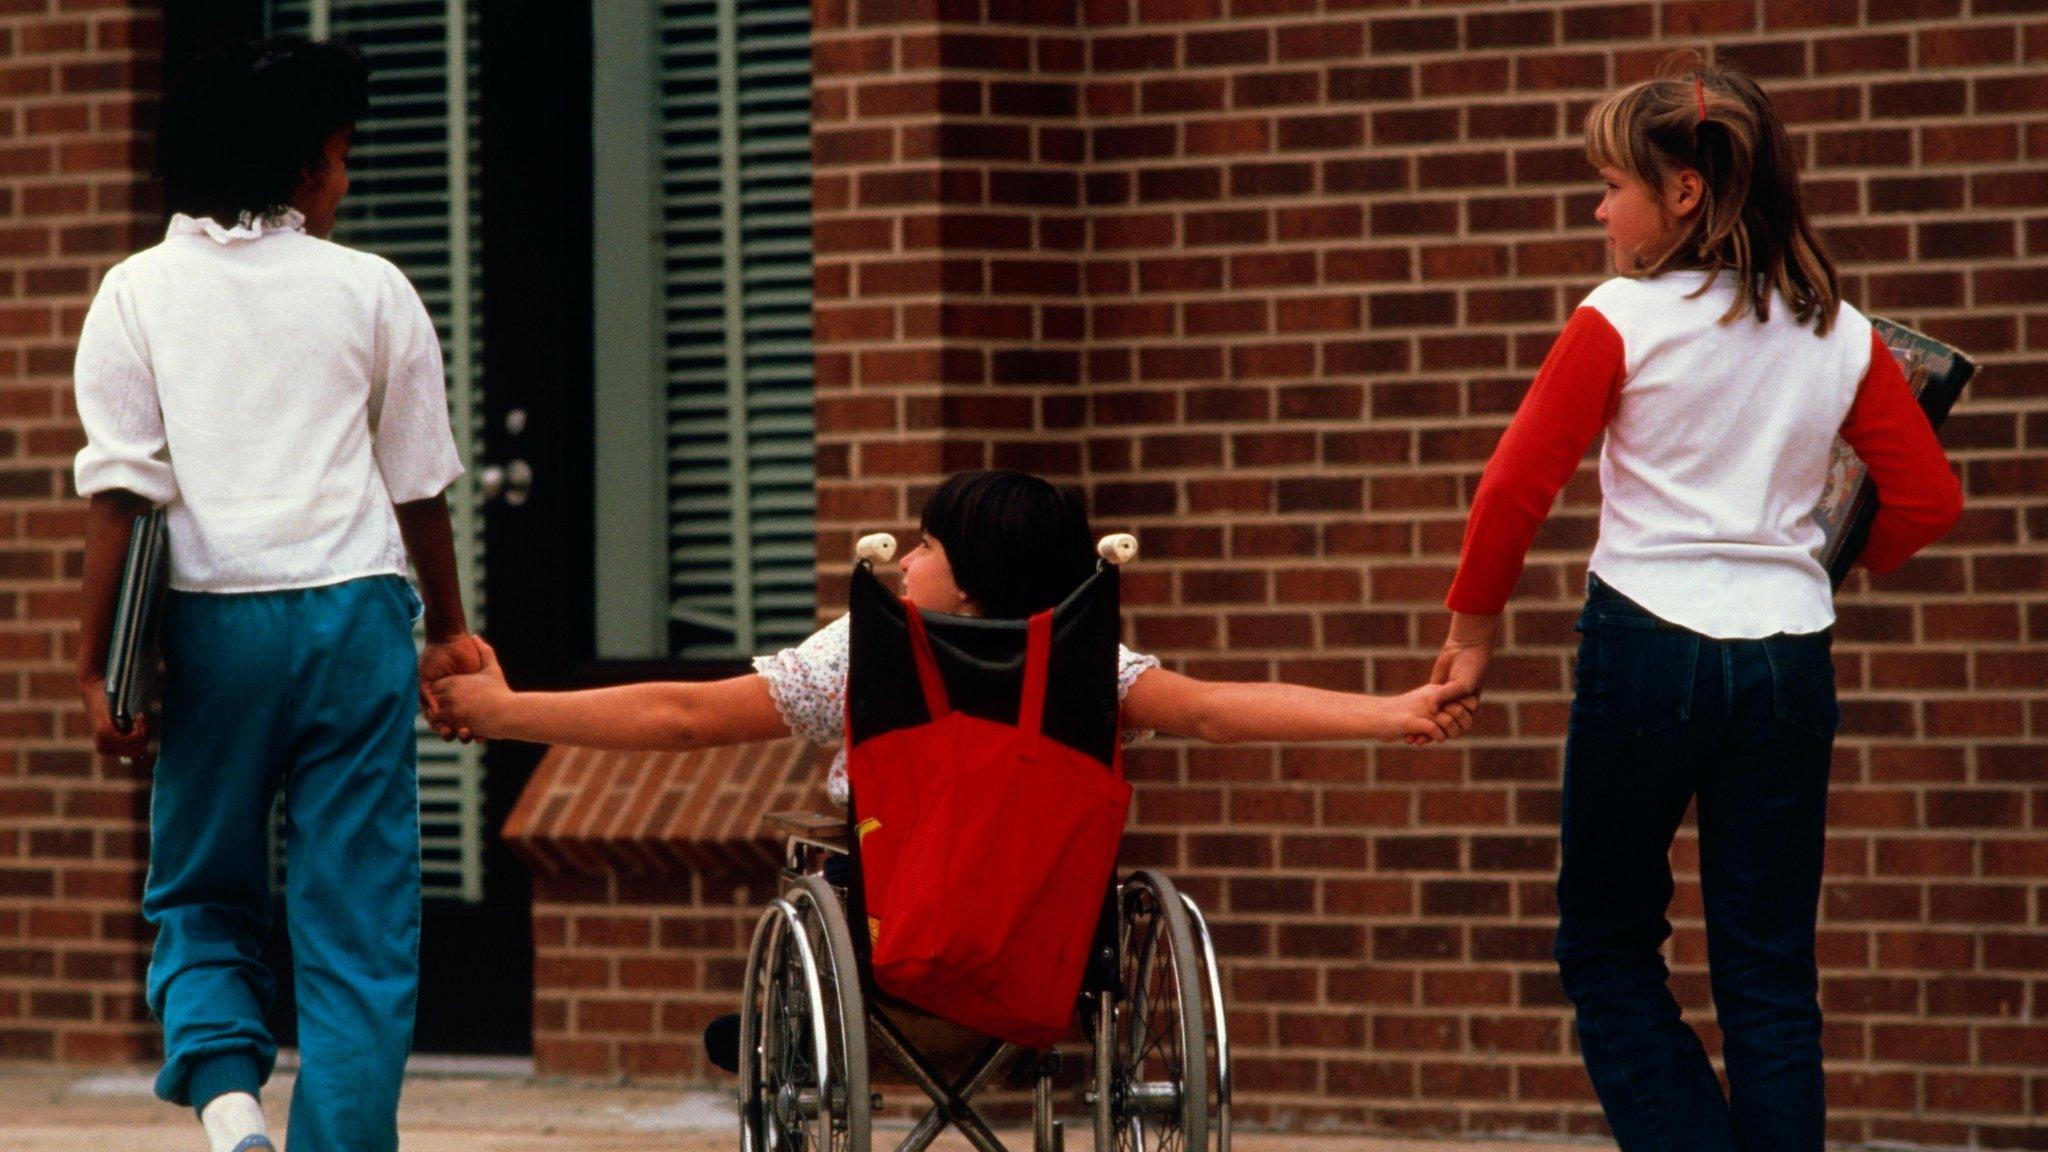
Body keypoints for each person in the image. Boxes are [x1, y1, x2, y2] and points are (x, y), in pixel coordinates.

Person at [430, 469, 1479, 1070]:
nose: (901, 562)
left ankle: (781, 1034)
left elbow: (684, 717)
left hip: (887, 954)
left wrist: (509, 711)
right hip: (1047, 961)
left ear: (969, 588)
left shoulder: (864, 653)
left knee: (834, 858)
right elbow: (1213, 713)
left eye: (924, 546)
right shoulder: (1088, 672)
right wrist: (1386, 716)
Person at [1428, 67, 1961, 1151]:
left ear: (1681, 194)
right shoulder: (1842, 335)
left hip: (1644, 647)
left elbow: (1511, 489)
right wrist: (1842, 558)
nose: (1596, 208)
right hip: (1786, 660)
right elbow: (1927, 502)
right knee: (1767, 976)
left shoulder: (1619, 318)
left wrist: (1469, 634)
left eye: (1611, 184)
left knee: (1606, 947)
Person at [72, 37, 481, 1152]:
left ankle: (231, 1108)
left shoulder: (133, 294)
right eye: (341, 157)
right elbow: (419, 485)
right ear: (303, 170)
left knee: (203, 887)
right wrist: (446, 630)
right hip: (353, 616)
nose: (345, 181)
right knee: (358, 921)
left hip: (211, 625)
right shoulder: (372, 290)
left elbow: (121, 498)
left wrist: (99, 661)